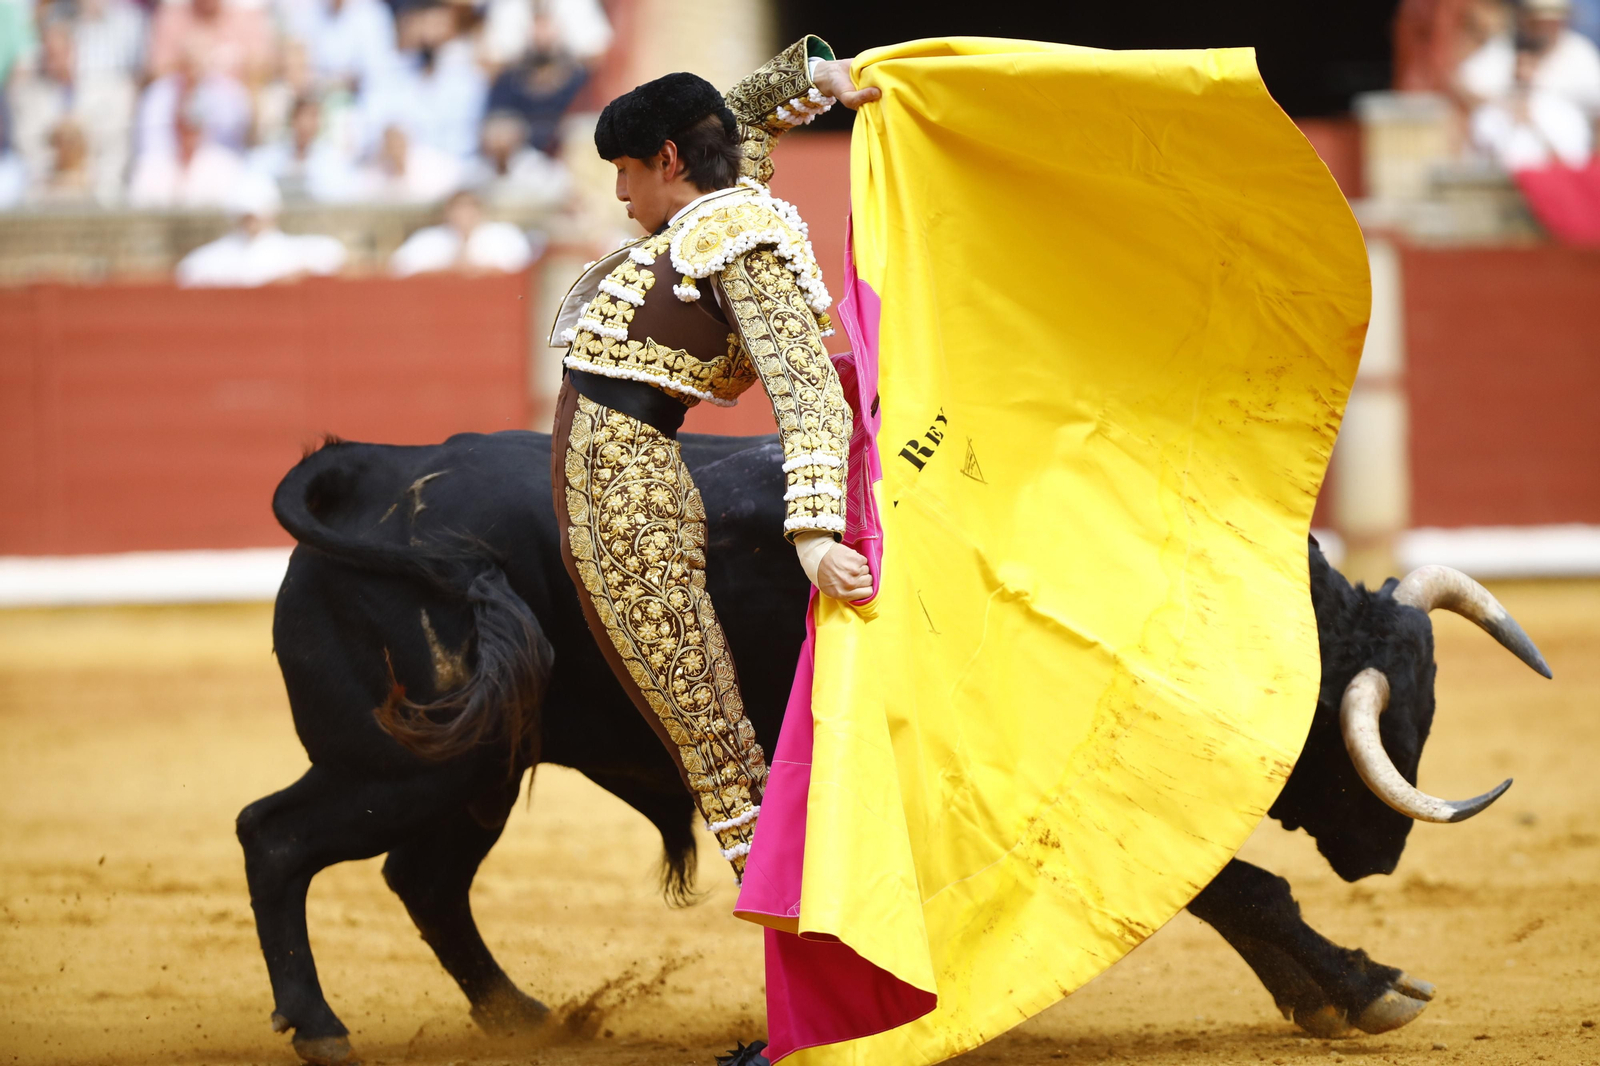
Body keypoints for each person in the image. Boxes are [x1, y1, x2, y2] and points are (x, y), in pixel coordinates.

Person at [548, 42, 876, 1045]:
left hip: (634, 505)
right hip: (621, 488)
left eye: (625, 170)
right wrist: (806, 80)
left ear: (667, 162)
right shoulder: (714, 211)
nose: (617, 194)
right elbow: (727, 116)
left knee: (724, 761)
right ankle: (832, 1000)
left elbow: (806, 387)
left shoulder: (729, 231)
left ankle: (828, 1017)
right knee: (725, 754)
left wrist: (813, 531)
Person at [175, 172, 347, 285]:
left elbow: (333, 253)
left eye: (255, 215)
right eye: (247, 215)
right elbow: (187, 271)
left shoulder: (285, 250)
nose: (252, 222)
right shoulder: (225, 252)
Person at [1458, 0, 1600, 115]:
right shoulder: (1503, 48)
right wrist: (1506, 107)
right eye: (1537, 21)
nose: (1544, 28)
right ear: (1524, 20)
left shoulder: (1581, 53)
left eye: (1551, 21)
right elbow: (1463, 83)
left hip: (1568, 147)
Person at [388, 186, 534, 274]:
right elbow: (399, 267)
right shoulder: (428, 239)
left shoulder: (504, 235)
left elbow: (522, 266)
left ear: (481, 211)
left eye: (470, 207)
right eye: (458, 208)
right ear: (447, 212)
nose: (464, 215)